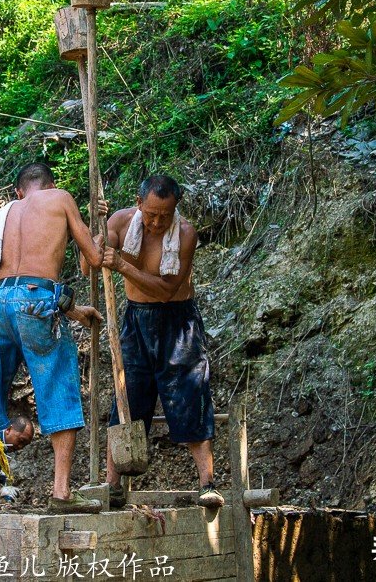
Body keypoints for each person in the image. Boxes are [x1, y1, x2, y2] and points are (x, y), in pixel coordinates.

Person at [0, 163, 105, 514]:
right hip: (37, 299)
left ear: (18, 192)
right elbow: (94, 260)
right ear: (51, 185)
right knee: (58, 390)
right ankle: (61, 492)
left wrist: (74, 310)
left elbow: (18, 284)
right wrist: (98, 232)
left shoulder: (2, 214)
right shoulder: (60, 198)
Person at [90, 174, 223, 509]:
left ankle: (207, 482)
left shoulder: (186, 234)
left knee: (190, 394)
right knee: (127, 396)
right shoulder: (120, 222)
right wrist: (97, 231)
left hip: (177, 320)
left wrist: (120, 263)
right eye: (150, 214)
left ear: (175, 208)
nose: (156, 221)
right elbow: (89, 262)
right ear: (139, 204)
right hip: (136, 320)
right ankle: (113, 483)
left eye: (165, 215)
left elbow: (166, 290)